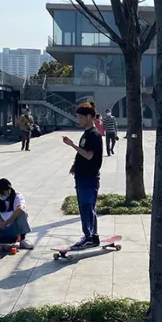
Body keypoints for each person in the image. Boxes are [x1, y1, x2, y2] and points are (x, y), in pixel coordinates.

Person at [63, 102, 103, 249]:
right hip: (82, 176)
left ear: (88, 117)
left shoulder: (94, 134)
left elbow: (88, 155)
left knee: (87, 207)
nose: (78, 120)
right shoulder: (87, 133)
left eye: (80, 117)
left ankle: (91, 237)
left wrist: (72, 145)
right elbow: (82, 154)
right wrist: (75, 164)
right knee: (86, 208)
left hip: (89, 177)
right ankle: (90, 235)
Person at [0, 178, 33, 250]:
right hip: (2, 229)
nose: (3, 196)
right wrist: (0, 223)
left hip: (15, 229)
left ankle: (23, 239)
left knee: (21, 212)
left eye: (5, 193)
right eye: (0, 194)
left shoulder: (17, 196)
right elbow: (1, 216)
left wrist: (6, 223)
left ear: (9, 189)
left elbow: (20, 208)